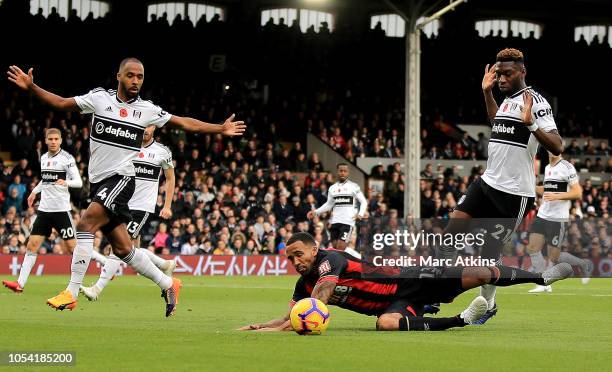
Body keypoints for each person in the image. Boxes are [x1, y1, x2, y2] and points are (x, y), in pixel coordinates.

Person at [7, 58, 245, 316]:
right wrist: (33, 88)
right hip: (98, 183)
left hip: (122, 179)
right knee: (123, 249)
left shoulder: (147, 110)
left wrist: (219, 128)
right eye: (130, 75)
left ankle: (71, 292)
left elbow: (185, 122)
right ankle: (167, 282)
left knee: (85, 224)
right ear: (118, 76)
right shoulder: (99, 99)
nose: (135, 81)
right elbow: (62, 103)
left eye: (140, 77)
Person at [436, 48, 563, 323]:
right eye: (498, 74)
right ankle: (433, 294)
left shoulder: (536, 102)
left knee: (488, 256)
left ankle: (489, 303)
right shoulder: (506, 100)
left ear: (522, 72)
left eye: (507, 74)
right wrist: (487, 93)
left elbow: (557, 144)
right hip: (487, 182)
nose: (501, 79)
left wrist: (531, 125)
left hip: (514, 193)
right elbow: (498, 122)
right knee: (450, 233)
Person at [238, 232, 572, 332]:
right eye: (290, 258)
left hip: (410, 279)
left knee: (480, 272)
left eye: (299, 254)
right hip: (393, 304)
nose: (296, 262)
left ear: (314, 248)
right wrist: (258, 327)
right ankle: (461, 320)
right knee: (386, 324)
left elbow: (320, 298)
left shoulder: (331, 260)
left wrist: (279, 330)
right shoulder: (302, 286)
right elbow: (289, 315)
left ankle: (543, 274)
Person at [81, 126, 176, 301]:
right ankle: (165, 264)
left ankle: (97, 289)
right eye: (144, 126)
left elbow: (170, 178)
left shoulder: (162, 152)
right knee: (131, 250)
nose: (146, 130)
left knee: (118, 249)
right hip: (123, 204)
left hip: (143, 207)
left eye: (150, 126)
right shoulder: (126, 147)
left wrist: (167, 204)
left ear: (154, 127)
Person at [3, 129, 82, 293]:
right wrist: (34, 192)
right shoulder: (44, 158)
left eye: (56, 139)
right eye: (50, 139)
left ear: (60, 140)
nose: (53, 141)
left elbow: (78, 182)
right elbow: (45, 180)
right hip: (45, 211)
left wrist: (66, 182)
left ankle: (101, 264)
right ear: (45, 141)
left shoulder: (67, 159)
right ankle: (20, 284)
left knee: (73, 248)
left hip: (61, 210)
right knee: (31, 246)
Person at [527, 151, 591, 293]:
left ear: (559, 148)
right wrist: (531, 187)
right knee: (532, 247)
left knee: (554, 257)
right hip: (543, 214)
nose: (550, 150)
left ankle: (583, 264)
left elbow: (577, 193)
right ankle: (543, 282)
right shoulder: (547, 167)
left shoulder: (567, 167)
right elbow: (547, 190)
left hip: (558, 218)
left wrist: (557, 196)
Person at [307, 163, 367, 254]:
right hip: (335, 222)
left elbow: (363, 201)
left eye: (345, 171)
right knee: (335, 249)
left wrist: (360, 214)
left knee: (340, 249)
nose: (342, 173)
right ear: (337, 172)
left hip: (347, 222)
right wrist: (316, 212)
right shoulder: (332, 188)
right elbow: (328, 205)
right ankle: (350, 259)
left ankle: (354, 259)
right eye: (341, 171)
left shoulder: (354, 186)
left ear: (348, 173)